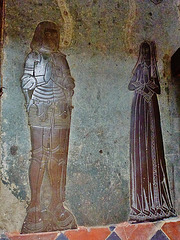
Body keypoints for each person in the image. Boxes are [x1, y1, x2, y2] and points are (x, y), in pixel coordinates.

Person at [21, 21, 77, 233]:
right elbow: (26, 80)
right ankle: (34, 204)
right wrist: (32, 81)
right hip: (41, 108)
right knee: (39, 155)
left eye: (56, 35)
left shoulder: (61, 58)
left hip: (60, 109)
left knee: (58, 157)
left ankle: (57, 204)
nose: (53, 39)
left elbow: (69, 82)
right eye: (49, 34)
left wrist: (66, 81)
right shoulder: (33, 58)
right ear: (40, 35)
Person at [128, 41, 176, 223]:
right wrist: (141, 86)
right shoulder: (139, 68)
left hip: (151, 106)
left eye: (149, 52)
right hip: (141, 106)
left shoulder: (154, 70)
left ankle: (158, 202)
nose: (146, 55)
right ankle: (143, 204)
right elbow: (131, 86)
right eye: (144, 51)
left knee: (154, 146)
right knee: (141, 145)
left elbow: (157, 88)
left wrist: (149, 86)